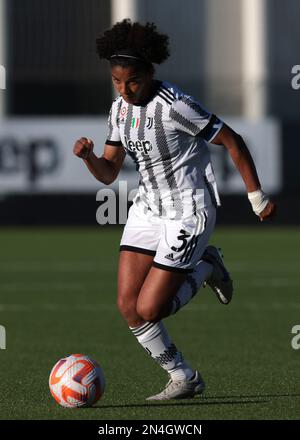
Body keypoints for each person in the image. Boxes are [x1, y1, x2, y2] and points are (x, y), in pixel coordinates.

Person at [73, 19, 276, 400]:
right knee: (128, 307)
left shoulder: (176, 106)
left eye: (132, 80)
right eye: (117, 81)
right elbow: (108, 173)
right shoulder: (119, 111)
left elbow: (232, 141)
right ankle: (183, 377)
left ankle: (206, 267)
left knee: (151, 308)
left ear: (149, 71)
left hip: (188, 212)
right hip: (148, 210)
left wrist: (256, 197)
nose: (124, 89)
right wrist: (89, 158)